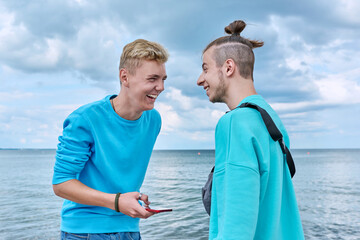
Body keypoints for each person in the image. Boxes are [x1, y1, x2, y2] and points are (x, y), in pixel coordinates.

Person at [197, 20, 304, 239]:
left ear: (228, 67)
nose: (200, 80)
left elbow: (236, 225)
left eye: (205, 69)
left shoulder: (234, 123)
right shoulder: (272, 122)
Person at [52, 39, 169, 240]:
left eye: (163, 79)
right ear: (125, 77)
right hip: (84, 231)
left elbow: (117, 177)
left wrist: (132, 199)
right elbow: (61, 184)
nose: (160, 87)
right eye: (152, 79)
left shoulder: (153, 120)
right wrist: (117, 201)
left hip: (130, 228)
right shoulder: (85, 119)